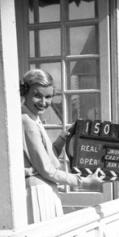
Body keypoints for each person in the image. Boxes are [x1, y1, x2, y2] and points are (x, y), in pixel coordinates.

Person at [21, 68, 102, 223]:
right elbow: (47, 170)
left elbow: (46, 159)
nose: (43, 102)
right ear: (25, 93)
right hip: (38, 192)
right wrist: (85, 181)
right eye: (37, 95)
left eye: (48, 97)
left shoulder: (33, 119)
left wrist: (63, 137)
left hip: (44, 189)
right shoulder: (27, 121)